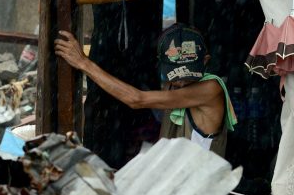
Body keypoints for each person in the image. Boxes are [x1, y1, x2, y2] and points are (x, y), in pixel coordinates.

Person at [55, 23, 236, 157]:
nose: (181, 82)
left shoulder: (210, 89)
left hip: (200, 193)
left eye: (188, 74)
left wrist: (83, 63)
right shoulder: (171, 85)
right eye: (176, 74)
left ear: (205, 61)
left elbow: (137, 99)